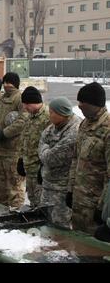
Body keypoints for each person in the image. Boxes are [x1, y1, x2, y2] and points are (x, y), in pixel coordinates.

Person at [68, 82, 110, 235]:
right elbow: (75, 159)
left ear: (94, 104)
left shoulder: (107, 128)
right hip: (79, 202)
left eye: (82, 103)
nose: (79, 106)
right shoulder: (84, 124)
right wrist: (70, 190)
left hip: (96, 205)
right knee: (79, 244)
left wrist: (103, 207)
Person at [38, 97, 81, 229]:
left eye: (52, 112)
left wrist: (45, 150)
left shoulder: (74, 130)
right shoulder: (55, 126)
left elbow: (50, 158)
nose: (49, 115)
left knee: (60, 228)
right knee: (46, 223)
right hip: (48, 184)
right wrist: (46, 150)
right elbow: (42, 140)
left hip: (61, 190)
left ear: (62, 113)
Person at [0, 72, 28, 208]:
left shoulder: (20, 99)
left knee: (14, 188)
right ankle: (0, 213)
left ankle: (16, 216)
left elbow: (23, 120)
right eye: (4, 82)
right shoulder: (0, 99)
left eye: (9, 83)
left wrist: (4, 133)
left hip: (13, 152)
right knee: (0, 188)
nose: (6, 85)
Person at [18, 86, 50, 207]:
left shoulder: (48, 117)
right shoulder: (29, 117)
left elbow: (51, 144)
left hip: (40, 170)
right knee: (32, 200)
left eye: (26, 104)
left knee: (41, 204)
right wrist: (21, 159)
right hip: (29, 169)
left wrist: (43, 168)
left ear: (34, 102)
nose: (25, 107)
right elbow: (24, 139)